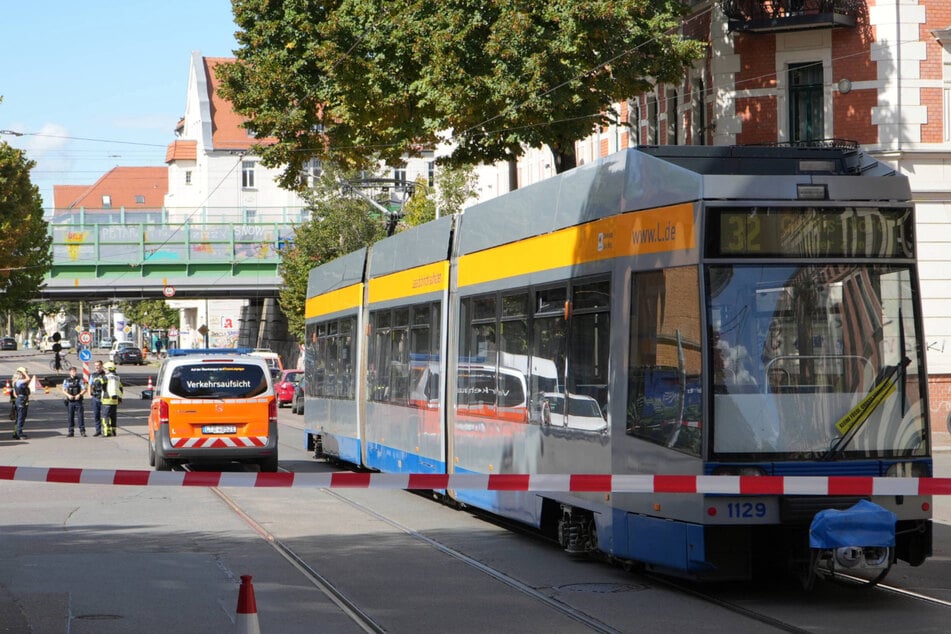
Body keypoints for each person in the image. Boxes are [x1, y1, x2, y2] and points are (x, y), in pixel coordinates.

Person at [61, 366, 87, 437]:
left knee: (80, 416)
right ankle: (71, 431)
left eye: (75, 371)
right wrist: (68, 395)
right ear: (70, 372)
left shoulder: (79, 380)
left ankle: (82, 431)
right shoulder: (66, 380)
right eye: (73, 371)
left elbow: (84, 389)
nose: (74, 373)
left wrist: (79, 394)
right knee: (70, 417)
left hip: (78, 400)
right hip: (70, 401)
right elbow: (63, 390)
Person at [101, 361, 123, 437]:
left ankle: (107, 432)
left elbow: (102, 386)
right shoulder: (117, 377)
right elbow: (120, 388)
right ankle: (114, 431)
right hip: (115, 400)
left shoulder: (105, 377)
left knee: (105, 416)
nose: (104, 370)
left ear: (108, 369)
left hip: (106, 399)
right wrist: (120, 398)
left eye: (105, 369)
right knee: (113, 416)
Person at [11, 366, 32, 440]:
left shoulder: (16, 382)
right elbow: (28, 378)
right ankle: (19, 433)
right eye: (24, 373)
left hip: (20, 400)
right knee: (21, 417)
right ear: (21, 374)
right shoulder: (19, 381)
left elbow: (14, 394)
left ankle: (16, 432)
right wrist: (24, 372)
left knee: (20, 417)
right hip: (21, 400)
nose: (26, 374)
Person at [87, 360, 106, 436]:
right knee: (96, 415)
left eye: (98, 365)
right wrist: (89, 393)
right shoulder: (93, 375)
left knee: (105, 415)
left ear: (101, 365)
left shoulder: (105, 374)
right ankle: (98, 430)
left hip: (104, 397)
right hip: (95, 397)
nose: (97, 367)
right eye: (95, 365)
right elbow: (90, 385)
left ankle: (106, 430)